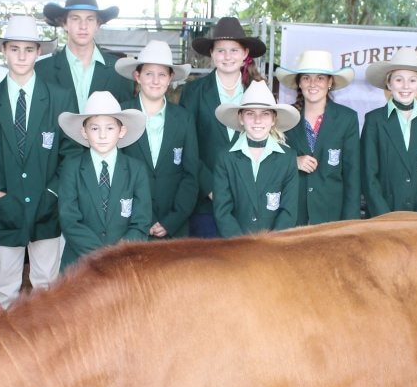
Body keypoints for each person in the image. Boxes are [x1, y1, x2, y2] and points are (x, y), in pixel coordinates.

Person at [0, 15, 77, 306]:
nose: (21, 56)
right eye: (15, 49)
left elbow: (71, 152)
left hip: (47, 207)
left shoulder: (59, 98)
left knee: (47, 285)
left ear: (39, 52)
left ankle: (46, 348)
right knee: (4, 284)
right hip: (5, 208)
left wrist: (54, 191)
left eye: (29, 49)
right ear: (3, 50)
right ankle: (1, 347)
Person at [178, 17, 266, 237]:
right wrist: (210, 188)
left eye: (234, 50)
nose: (227, 57)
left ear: (245, 53)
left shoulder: (258, 92)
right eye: (221, 50)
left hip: (250, 200)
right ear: (211, 53)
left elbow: (267, 143)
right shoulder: (193, 92)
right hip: (206, 203)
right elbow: (187, 147)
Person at [56, 91, 152, 270]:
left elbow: (141, 221)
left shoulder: (136, 169)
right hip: (80, 263)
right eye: (94, 128)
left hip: (123, 262)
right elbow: (69, 220)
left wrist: (118, 253)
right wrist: (103, 254)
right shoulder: (72, 168)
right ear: (84, 132)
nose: (102, 135)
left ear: (121, 131)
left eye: (110, 128)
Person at [116, 40, 200, 238]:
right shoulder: (120, 115)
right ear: (137, 76)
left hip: (174, 227)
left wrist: (173, 219)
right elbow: (118, 173)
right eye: (149, 74)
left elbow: (190, 175)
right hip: (131, 224)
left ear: (170, 78)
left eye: (162, 74)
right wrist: (144, 216)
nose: (155, 80)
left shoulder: (184, 118)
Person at [359, 46, 417, 216]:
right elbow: (369, 176)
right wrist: (385, 218)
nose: (406, 86)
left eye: (412, 80)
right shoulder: (374, 120)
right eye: (399, 80)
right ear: (389, 83)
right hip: (384, 219)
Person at [276, 50, 361, 225]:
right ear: (299, 83)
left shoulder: (347, 118)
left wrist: (350, 223)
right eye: (306, 78)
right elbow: (270, 161)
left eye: (320, 78)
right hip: (292, 215)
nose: (313, 83)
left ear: (330, 82)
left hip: (332, 216)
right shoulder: (285, 117)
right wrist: (293, 160)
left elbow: (352, 174)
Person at [212, 79, 300, 237]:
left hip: (273, 248)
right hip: (235, 247)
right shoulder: (225, 157)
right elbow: (222, 210)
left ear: (274, 119)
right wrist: (241, 244)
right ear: (240, 118)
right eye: (250, 113)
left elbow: (288, 211)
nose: (257, 120)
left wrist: (269, 244)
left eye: (265, 114)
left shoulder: (287, 158)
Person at [36, 0, 131, 112]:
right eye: (75, 18)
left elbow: (125, 121)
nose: (83, 26)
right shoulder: (41, 71)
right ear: (64, 24)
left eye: (90, 19)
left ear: (98, 24)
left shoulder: (119, 71)